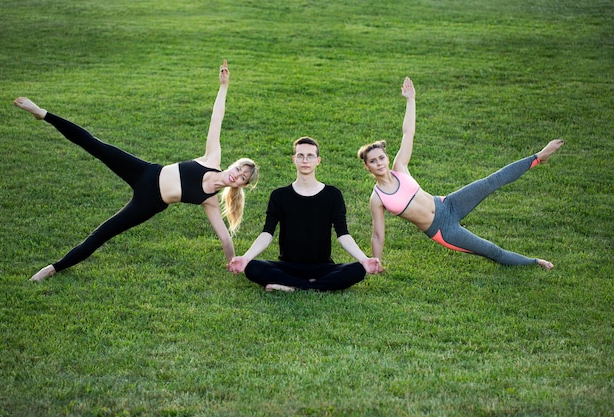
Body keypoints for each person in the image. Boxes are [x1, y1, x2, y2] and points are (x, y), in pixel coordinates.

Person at [15, 60, 259, 281]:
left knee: (102, 233)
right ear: (232, 164)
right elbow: (217, 118)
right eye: (238, 169)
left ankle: (53, 268)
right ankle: (42, 113)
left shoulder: (210, 201)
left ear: (241, 185)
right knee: (95, 145)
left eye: (242, 178)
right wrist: (224, 86)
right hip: (145, 172)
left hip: (148, 202)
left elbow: (225, 238)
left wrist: (234, 261)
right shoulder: (211, 158)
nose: (236, 175)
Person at [357, 77, 564, 270]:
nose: (380, 163)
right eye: (373, 161)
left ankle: (538, 157)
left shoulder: (400, 167)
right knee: (491, 250)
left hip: (448, 204)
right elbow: (377, 234)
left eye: (381, 158)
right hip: (442, 229)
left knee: (492, 181)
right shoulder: (377, 198)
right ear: (368, 167)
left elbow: (408, 132)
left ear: (386, 157)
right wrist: (377, 262)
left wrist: (411, 100)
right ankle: (536, 262)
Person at [227, 137, 382, 292]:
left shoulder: (333, 195)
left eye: (310, 156)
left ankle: (292, 286)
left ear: (318, 160)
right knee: (252, 267)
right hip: (287, 266)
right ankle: (314, 286)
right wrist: (245, 258)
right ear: (294, 159)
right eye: (300, 156)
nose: (305, 160)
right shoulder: (279, 195)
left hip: (323, 267)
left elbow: (343, 234)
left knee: (358, 269)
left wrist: (364, 260)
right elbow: (267, 233)